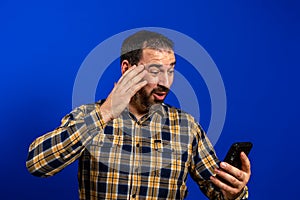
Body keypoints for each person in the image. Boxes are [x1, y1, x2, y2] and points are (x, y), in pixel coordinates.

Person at [26, 30, 251, 199]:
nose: (165, 82)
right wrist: (104, 114)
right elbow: (37, 164)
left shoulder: (186, 127)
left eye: (170, 71)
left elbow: (221, 193)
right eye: (155, 71)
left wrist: (235, 191)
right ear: (126, 69)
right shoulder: (90, 116)